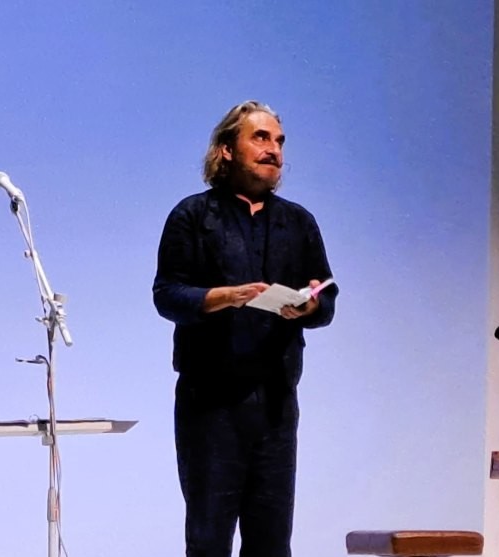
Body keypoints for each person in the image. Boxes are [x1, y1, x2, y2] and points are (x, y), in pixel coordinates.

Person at [152, 100, 338, 557]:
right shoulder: (193, 216)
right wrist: (221, 296)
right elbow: (167, 294)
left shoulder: (298, 221)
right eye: (260, 138)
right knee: (209, 540)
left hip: (276, 403)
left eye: (279, 141)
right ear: (226, 149)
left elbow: (327, 297)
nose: (274, 149)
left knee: (272, 542)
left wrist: (309, 305)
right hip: (210, 404)